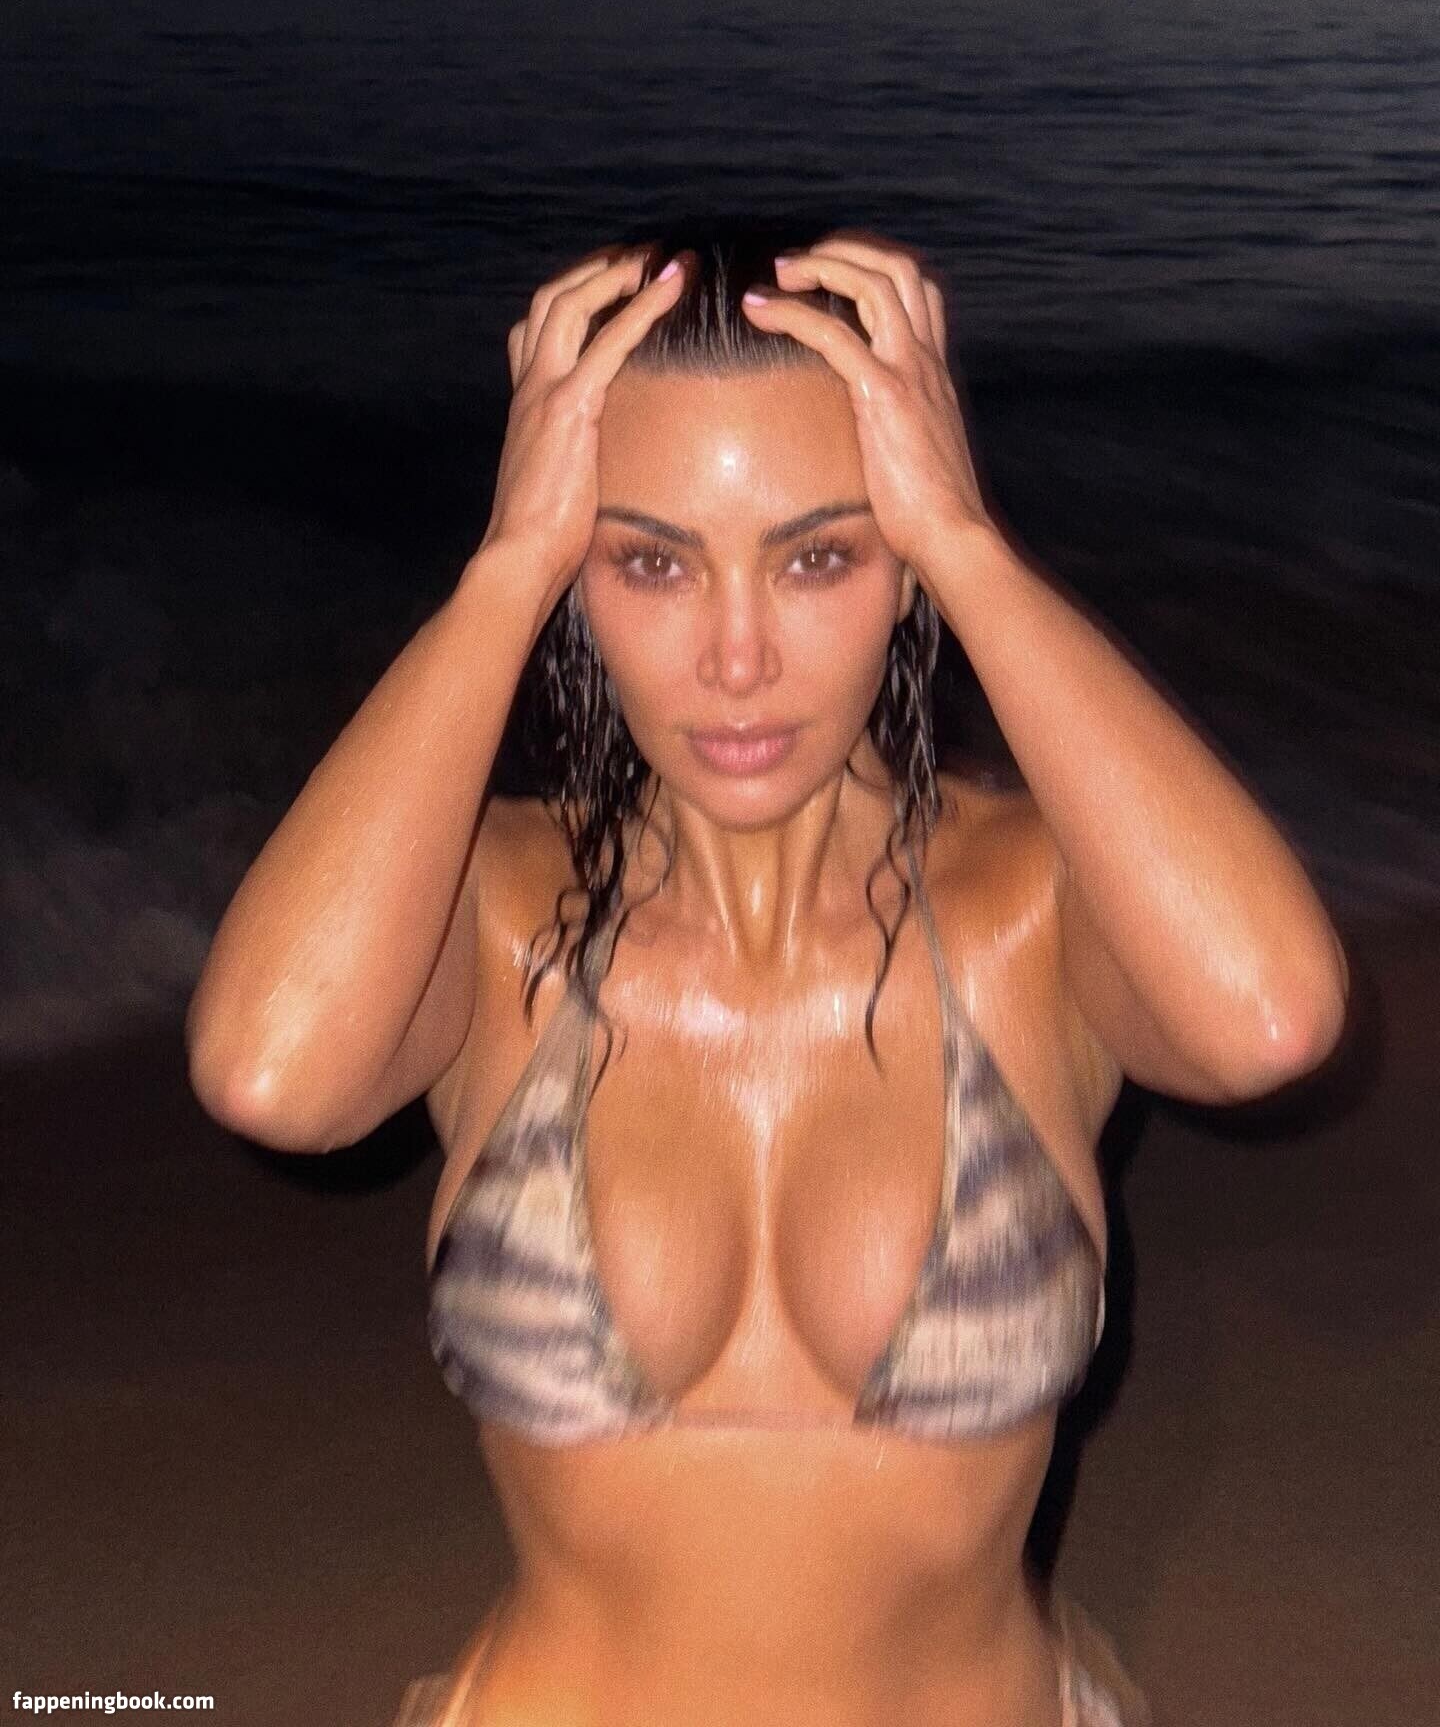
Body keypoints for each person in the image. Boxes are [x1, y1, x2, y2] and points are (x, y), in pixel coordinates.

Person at [187, 215, 1350, 1726]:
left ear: (901, 565)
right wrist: (506, 568)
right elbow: (270, 1074)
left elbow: (1270, 1021)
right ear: (583, 580)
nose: (737, 659)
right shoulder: (492, 917)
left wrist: (970, 544)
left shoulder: (1032, 914)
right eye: (651, 561)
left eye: (819, 556)